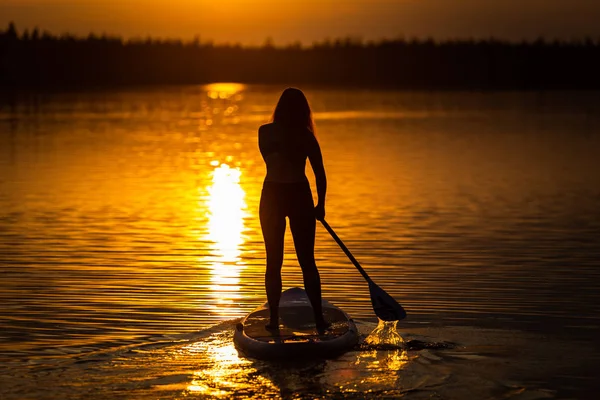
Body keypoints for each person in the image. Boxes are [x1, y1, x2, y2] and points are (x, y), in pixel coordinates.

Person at [258, 88, 330, 332]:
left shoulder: (267, 132)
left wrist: (320, 205)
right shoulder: (305, 137)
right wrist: (320, 204)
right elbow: (318, 173)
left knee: (278, 261)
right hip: (293, 195)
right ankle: (316, 320)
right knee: (303, 261)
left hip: (277, 196)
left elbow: (318, 172)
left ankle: (276, 320)